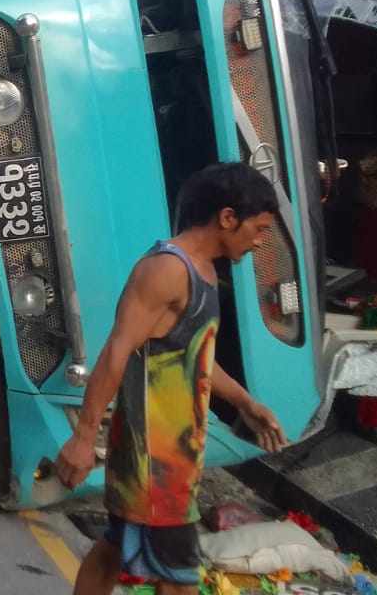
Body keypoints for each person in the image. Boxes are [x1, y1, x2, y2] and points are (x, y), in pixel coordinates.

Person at [56, 162, 290, 595]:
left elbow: (195, 359)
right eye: (258, 229)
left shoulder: (202, 274)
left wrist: (245, 403)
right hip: (156, 466)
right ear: (226, 218)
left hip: (169, 462)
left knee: (113, 551)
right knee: (179, 581)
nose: (260, 242)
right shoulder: (167, 270)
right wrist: (84, 437)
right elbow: (117, 351)